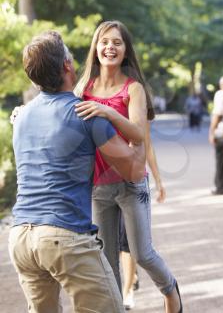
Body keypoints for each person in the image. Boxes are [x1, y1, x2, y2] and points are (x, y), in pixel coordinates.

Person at [8, 30, 146, 313]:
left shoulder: (20, 117)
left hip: (21, 237)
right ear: (67, 66)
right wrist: (139, 132)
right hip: (64, 236)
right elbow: (134, 170)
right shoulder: (86, 114)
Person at [75, 20, 182, 313]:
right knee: (107, 261)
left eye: (117, 42)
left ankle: (170, 289)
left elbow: (138, 133)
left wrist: (108, 111)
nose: (110, 47)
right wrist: (25, 113)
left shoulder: (133, 89)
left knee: (142, 254)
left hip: (132, 184)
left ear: (125, 50)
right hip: (98, 186)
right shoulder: (83, 87)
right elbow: (62, 118)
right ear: (95, 48)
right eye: (104, 41)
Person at [120, 140, 166, 310]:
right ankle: (131, 275)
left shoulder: (136, 112)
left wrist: (158, 181)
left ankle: (127, 290)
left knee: (127, 241)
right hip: (102, 181)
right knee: (115, 241)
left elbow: (146, 143)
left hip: (130, 182)